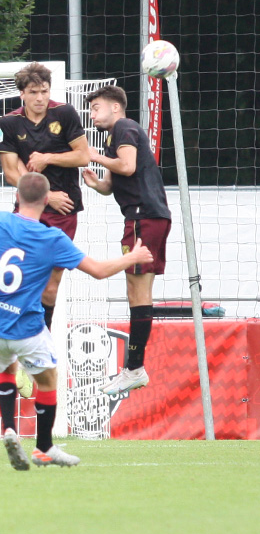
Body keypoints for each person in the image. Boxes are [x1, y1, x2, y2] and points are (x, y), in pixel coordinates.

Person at [0, 173, 152, 469]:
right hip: (27, 326)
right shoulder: (52, 238)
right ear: (46, 201)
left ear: (17, 197)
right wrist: (132, 256)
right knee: (48, 380)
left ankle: (8, 427)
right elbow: (97, 271)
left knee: (5, 367)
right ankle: (44, 447)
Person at [83, 85, 171, 395]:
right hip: (147, 216)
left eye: (96, 108)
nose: (92, 114)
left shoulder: (123, 126)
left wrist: (93, 156)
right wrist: (97, 184)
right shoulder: (115, 135)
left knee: (137, 290)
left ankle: (134, 368)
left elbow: (128, 165)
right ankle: (134, 367)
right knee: (139, 290)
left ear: (115, 107)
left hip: (142, 217)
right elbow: (116, 180)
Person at [0, 62, 90, 330]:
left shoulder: (65, 113)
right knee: (21, 278)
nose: (40, 98)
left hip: (64, 210)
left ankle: (41, 341)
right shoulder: (9, 122)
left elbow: (83, 156)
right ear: (22, 94)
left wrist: (48, 158)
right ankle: (15, 338)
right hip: (29, 209)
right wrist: (46, 196)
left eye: (44, 91)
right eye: (34, 92)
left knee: (50, 286)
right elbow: (11, 173)